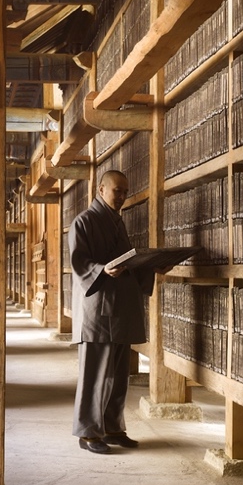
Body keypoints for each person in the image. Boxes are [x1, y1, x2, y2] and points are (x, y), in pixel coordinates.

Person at [68, 169, 154, 454]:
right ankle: (88, 434)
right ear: (101, 189)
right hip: (97, 311)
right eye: (118, 190)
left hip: (119, 309)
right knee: (95, 376)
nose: (122, 196)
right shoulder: (84, 221)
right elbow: (79, 263)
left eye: (125, 192)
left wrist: (151, 266)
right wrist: (101, 270)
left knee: (118, 377)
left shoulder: (117, 222)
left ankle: (113, 428)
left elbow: (127, 264)